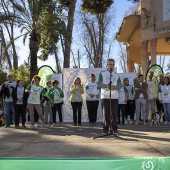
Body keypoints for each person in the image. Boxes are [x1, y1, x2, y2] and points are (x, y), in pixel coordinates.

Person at [98, 58, 122, 134]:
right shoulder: (102, 73)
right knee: (106, 113)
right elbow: (99, 84)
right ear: (107, 65)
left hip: (114, 96)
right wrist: (107, 86)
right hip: (105, 96)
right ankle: (105, 129)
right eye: (110, 64)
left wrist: (115, 87)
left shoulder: (116, 75)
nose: (111, 66)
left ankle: (115, 128)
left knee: (114, 113)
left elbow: (120, 85)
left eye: (113, 64)